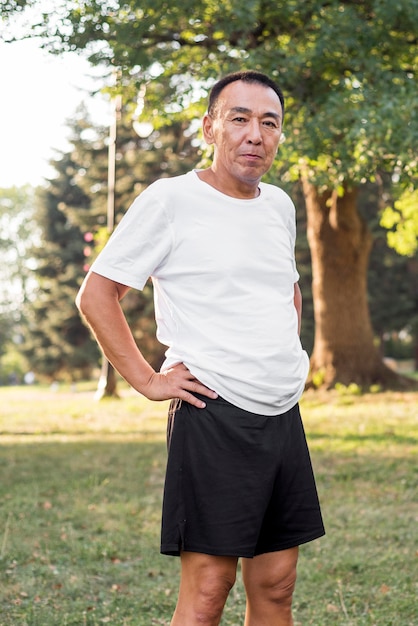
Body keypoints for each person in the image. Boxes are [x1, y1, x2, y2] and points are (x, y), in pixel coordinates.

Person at [76, 70, 325, 626]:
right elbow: (98, 294)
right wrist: (148, 379)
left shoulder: (280, 205)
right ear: (210, 126)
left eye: (269, 122)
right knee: (210, 589)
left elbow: (287, 291)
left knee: (277, 583)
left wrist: (283, 356)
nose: (254, 134)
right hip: (213, 411)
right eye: (239, 119)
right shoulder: (171, 200)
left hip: (282, 413)